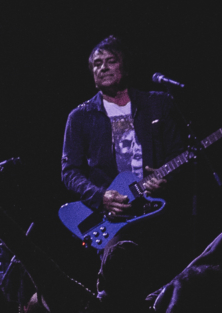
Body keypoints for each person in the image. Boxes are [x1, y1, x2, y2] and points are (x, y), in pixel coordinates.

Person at [60, 36, 183, 219]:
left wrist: (166, 179)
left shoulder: (157, 104)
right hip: (113, 216)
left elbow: (178, 153)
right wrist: (101, 197)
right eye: (97, 64)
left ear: (124, 68)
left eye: (111, 61)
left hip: (159, 208)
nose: (103, 67)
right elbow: (70, 171)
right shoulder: (80, 117)